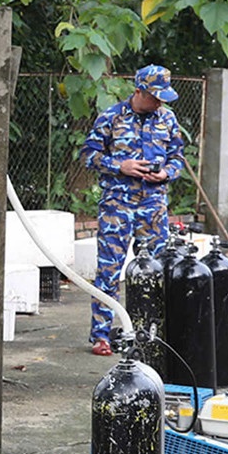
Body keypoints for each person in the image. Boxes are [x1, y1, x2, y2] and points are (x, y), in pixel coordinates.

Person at [80, 63, 187, 355]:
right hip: (117, 205)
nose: (159, 102)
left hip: (153, 206)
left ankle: (151, 332)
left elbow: (178, 156)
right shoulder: (111, 117)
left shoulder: (167, 118)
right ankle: (101, 336)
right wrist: (120, 166)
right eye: (155, 95)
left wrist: (166, 173)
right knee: (109, 271)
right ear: (138, 90)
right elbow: (88, 154)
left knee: (156, 271)